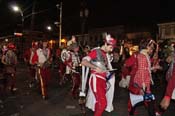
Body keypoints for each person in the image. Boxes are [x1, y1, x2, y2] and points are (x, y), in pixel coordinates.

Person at [81, 34, 116, 116]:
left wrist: (109, 72)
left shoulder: (105, 54)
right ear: (106, 44)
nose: (111, 50)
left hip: (102, 80)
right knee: (103, 103)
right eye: (111, 47)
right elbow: (84, 62)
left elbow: (104, 68)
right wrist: (95, 67)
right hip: (96, 79)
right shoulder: (96, 51)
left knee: (99, 103)